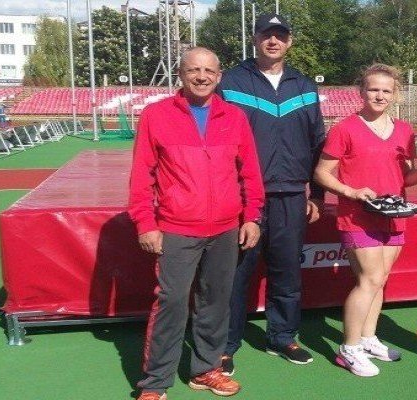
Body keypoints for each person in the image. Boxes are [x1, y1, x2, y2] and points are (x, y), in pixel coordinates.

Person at [128, 47, 264, 400]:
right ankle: (155, 383)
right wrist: (145, 222)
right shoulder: (156, 115)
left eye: (209, 71)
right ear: (181, 74)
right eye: (194, 70)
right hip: (176, 228)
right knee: (171, 303)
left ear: (219, 76)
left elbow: (250, 172)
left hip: (225, 229)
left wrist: (252, 217)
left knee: (215, 302)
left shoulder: (234, 116)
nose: (201, 77)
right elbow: (142, 175)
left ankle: (205, 370)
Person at [216, 13, 325, 374]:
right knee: (235, 274)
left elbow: (317, 143)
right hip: (243, 196)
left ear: (289, 41)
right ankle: (225, 346)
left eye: (280, 35)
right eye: (267, 34)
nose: (273, 41)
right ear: (255, 38)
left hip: (291, 196)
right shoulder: (231, 81)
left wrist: (317, 195)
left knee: (287, 272)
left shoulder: (304, 86)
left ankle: (282, 337)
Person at [314, 64, 417, 377]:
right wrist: (352, 192)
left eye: (386, 90)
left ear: (395, 94)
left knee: (379, 279)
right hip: (358, 216)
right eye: (373, 89)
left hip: (394, 216)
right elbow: (321, 173)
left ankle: (368, 338)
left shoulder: (404, 130)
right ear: (361, 91)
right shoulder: (344, 128)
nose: (380, 95)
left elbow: (406, 177)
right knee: (369, 279)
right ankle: (349, 348)